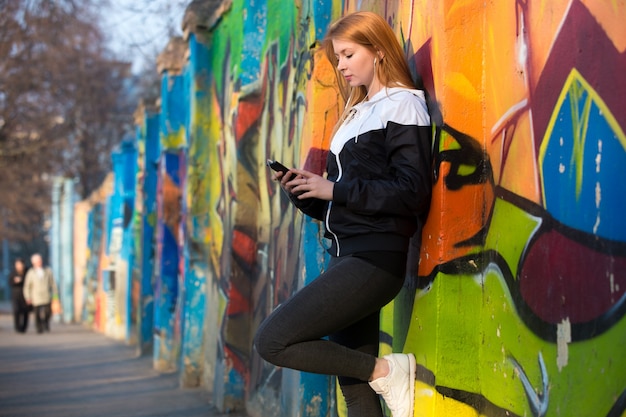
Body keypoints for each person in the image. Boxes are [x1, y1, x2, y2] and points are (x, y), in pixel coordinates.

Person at [254, 11, 432, 417]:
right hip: (347, 256)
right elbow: (346, 202)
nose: (342, 65)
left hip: (374, 260)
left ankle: (388, 368)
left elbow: (411, 192)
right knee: (356, 393)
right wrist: (306, 192)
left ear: (378, 51)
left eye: (349, 54)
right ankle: (377, 372)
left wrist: (333, 188)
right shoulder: (355, 114)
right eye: (338, 57)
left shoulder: (403, 105)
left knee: (273, 340)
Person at [23, 253, 58, 334]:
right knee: (37, 314)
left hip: (46, 295)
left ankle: (45, 323)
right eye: (38, 261)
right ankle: (39, 328)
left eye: (40, 260)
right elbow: (27, 286)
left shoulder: (48, 271)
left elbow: (53, 284)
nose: (40, 262)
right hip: (36, 296)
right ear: (34, 263)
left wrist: (55, 296)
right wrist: (27, 297)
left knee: (48, 312)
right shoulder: (31, 273)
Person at [8, 258, 29, 333]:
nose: (19, 266)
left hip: (25, 295)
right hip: (16, 295)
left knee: (25, 311)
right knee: (16, 311)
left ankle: (24, 327)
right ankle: (17, 327)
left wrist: (22, 280)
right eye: (17, 265)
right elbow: (10, 282)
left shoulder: (27, 272)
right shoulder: (13, 273)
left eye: (20, 264)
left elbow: (29, 281)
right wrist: (15, 281)